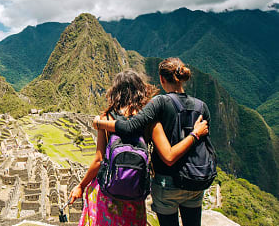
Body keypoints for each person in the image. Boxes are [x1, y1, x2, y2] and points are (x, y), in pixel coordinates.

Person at [69, 69, 208, 226]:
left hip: (108, 193)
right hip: (134, 192)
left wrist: (81, 186)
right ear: (141, 90)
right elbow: (166, 152)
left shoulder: (105, 119)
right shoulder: (149, 120)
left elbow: (99, 160)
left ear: (115, 91)